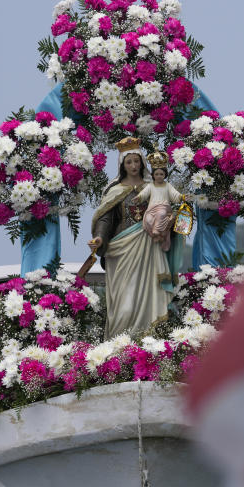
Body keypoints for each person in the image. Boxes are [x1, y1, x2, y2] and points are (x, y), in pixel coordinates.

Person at [89, 137, 182, 338]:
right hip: (121, 252)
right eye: (129, 162)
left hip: (149, 249)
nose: (133, 165)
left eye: (136, 161)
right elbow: (105, 219)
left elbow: (168, 210)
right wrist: (99, 238)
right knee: (124, 307)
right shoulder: (115, 190)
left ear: (142, 162)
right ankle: (118, 344)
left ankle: (146, 344)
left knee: (150, 300)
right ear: (123, 164)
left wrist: (169, 222)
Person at [137, 151, 183, 252]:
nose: (159, 176)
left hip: (164, 208)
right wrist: (139, 197)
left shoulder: (167, 186)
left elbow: (175, 195)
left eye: (161, 174)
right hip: (152, 209)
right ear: (153, 175)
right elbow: (144, 193)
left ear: (165, 175)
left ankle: (157, 231)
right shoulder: (151, 186)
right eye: (156, 174)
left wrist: (181, 197)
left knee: (161, 213)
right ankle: (156, 235)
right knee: (148, 219)